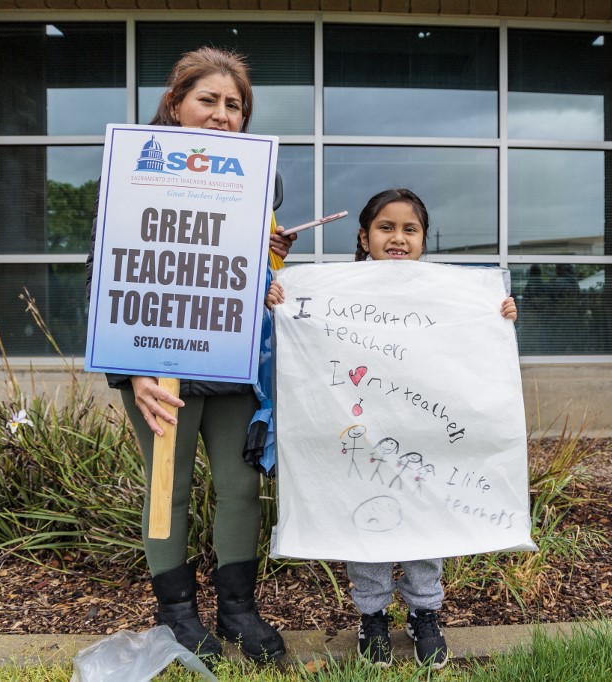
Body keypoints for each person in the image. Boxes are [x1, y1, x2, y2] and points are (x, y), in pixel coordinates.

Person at [86, 47, 296, 663]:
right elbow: (106, 272)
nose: (223, 114)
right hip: (157, 363)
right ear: (175, 105)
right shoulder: (133, 170)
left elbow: (242, 274)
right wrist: (130, 371)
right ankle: (177, 615)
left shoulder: (261, 178)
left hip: (230, 359)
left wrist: (273, 255)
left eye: (235, 105)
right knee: (168, 486)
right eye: (209, 100)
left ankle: (238, 610)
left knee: (239, 485)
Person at [266, 188, 516, 669]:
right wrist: (281, 301)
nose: (397, 238)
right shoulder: (335, 293)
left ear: (424, 239)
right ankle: (373, 616)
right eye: (385, 227)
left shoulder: (444, 294)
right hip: (361, 435)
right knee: (365, 516)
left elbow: (469, 351)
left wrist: (497, 317)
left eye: (410, 229)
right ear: (363, 236)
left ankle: (425, 613)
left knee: (426, 517)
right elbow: (302, 342)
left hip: (425, 432)